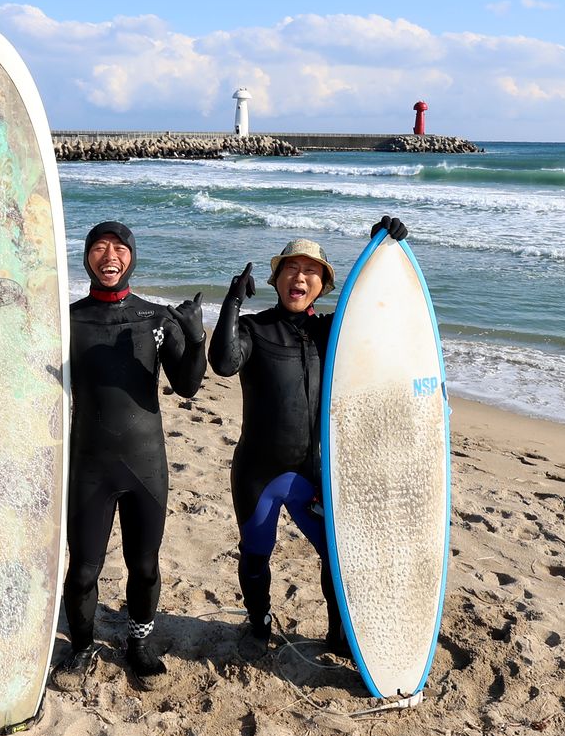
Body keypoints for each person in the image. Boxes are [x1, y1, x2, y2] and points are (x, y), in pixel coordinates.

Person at [209, 215, 406, 652]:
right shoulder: (255, 330)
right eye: (291, 269)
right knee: (257, 553)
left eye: (311, 271)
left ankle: (339, 636)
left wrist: (383, 249)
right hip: (258, 472)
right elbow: (222, 362)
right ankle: (258, 624)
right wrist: (232, 302)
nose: (300, 277)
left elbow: (381, 308)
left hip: (314, 473)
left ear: (322, 284)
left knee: (336, 557)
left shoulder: (332, 331)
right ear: (277, 279)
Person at [50, 222, 208, 690]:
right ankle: (81, 647)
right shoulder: (66, 320)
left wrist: (196, 340)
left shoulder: (157, 320)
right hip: (88, 465)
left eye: (119, 247)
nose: (109, 255)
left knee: (144, 565)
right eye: (100, 247)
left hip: (146, 465)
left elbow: (188, 385)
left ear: (132, 257)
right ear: (87, 258)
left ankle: (139, 644)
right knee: (81, 570)